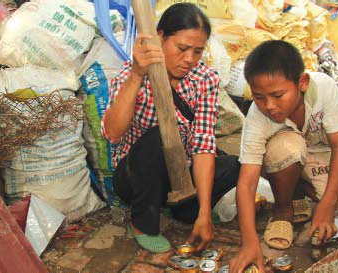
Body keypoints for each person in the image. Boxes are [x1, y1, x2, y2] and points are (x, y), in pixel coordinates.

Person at [101, 3, 240, 253]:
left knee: (233, 167)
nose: (189, 59)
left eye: (197, 51)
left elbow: (203, 143)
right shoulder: (131, 74)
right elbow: (112, 132)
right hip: (137, 177)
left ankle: (188, 209)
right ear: (160, 37)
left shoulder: (205, 79)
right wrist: (136, 75)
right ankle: (144, 223)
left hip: (180, 174)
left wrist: (206, 211)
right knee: (159, 138)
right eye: (182, 48)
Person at [229, 40, 338, 272]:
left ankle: (300, 190)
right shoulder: (256, 116)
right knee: (288, 148)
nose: (269, 106)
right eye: (259, 97)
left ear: (302, 83)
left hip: (319, 154)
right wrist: (249, 243)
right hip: (285, 154)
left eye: (278, 95)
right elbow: (247, 182)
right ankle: (284, 208)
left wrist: (327, 205)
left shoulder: (323, 88)